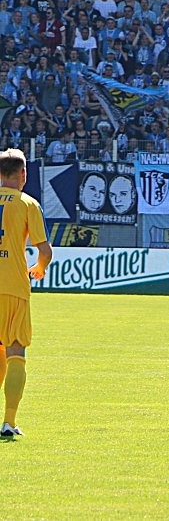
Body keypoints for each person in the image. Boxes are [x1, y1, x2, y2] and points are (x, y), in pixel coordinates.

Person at [0, 149, 52, 437]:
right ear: (23, 174)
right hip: (13, 285)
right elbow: (45, 250)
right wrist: (40, 267)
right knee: (15, 348)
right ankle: (8, 422)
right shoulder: (28, 203)